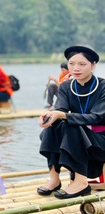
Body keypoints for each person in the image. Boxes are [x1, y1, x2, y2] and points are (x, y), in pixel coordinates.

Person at [37, 45, 105, 199]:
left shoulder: (103, 87)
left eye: (82, 64)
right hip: (77, 138)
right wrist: (48, 116)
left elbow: (98, 117)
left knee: (71, 124)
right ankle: (54, 178)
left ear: (93, 65)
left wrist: (63, 116)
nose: (76, 68)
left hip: (100, 139)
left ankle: (81, 182)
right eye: (71, 63)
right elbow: (59, 108)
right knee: (55, 123)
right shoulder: (67, 86)